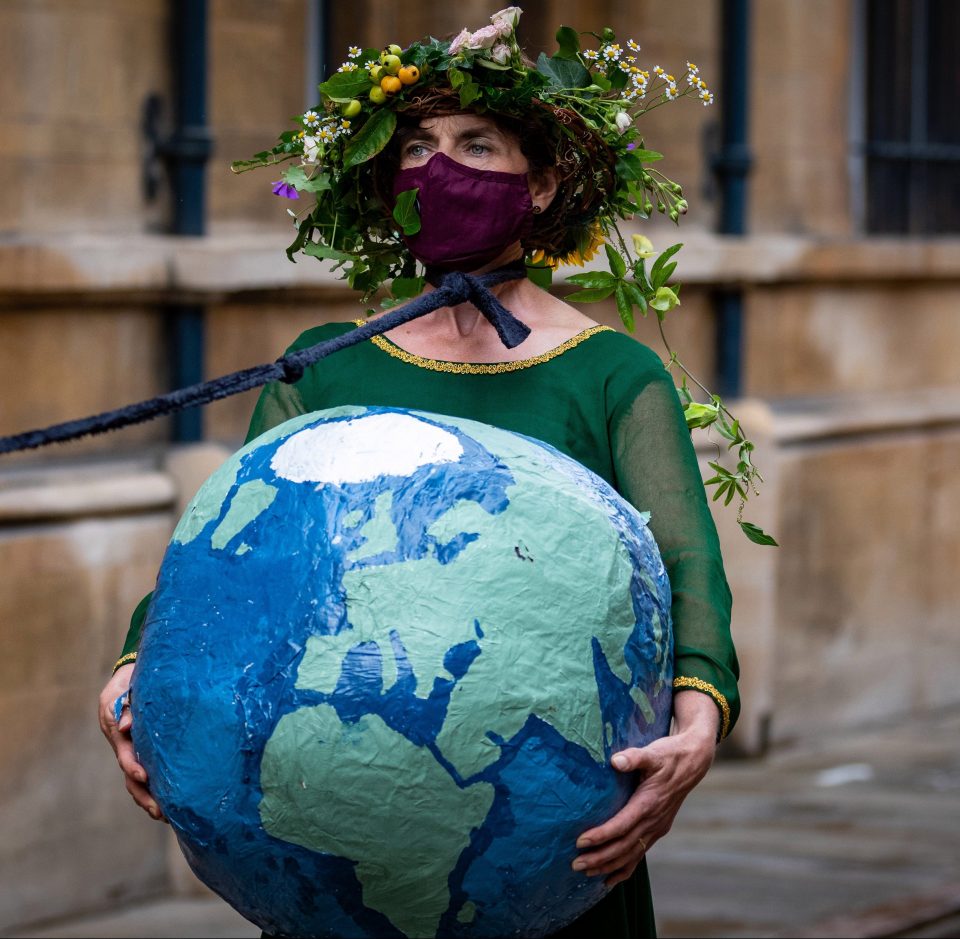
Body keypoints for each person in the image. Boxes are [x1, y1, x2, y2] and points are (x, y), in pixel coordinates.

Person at [99, 9, 737, 937]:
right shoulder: (324, 363)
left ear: (545, 182)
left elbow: (685, 567)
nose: (438, 169)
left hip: (535, 832)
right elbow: (232, 546)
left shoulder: (612, 372)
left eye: (477, 144)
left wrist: (695, 733)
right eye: (416, 149)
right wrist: (131, 673)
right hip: (335, 863)